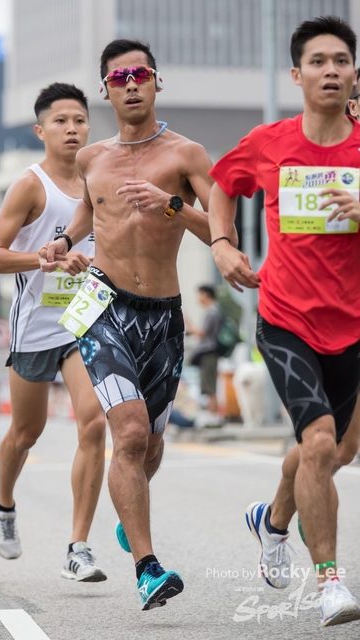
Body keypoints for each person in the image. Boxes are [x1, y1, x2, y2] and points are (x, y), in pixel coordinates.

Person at [39, 39, 226, 610]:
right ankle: (148, 569)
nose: (131, 84)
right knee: (130, 434)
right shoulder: (91, 158)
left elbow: (222, 231)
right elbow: (89, 208)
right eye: (119, 78)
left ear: (156, 81)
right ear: (106, 90)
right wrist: (65, 241)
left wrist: (170, 204)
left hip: (163, 316)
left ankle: (130, 509)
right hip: (102, 307)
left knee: (153, 444)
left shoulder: (187, 154)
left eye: (140, 74)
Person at [209, 15, 360, 628]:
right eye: (318, 62)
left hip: (353, 324)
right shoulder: (268, 141)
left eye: (341, 61)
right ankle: (330, 584)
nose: (331, 71)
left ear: (355, 73)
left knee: (339, 451)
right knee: (318, 441)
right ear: (297, 75)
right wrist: (222, 244)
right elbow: (222, 184)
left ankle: (272, 520)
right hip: (286, 317)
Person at [0, 83, 107, 582]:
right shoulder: (30, 185)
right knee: (25, 433)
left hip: (86, 320)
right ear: (40, 131)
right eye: (60, 121)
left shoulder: (101, 177)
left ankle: (78, 547)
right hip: (36, 325)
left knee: (93, 423)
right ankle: (4, 504)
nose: (72, 128)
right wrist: (44, 258)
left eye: (79, 119)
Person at [185, 285, 222, 421]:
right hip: (210, 353)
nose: (198, 298)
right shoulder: (214, 311)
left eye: (199, 294)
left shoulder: (212, 312)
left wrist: (187, 321)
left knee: (209, 386)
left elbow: (201, 333)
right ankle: (212, 416)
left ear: (206, 294)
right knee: (208, 386)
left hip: (208, 353)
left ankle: (212, 417)